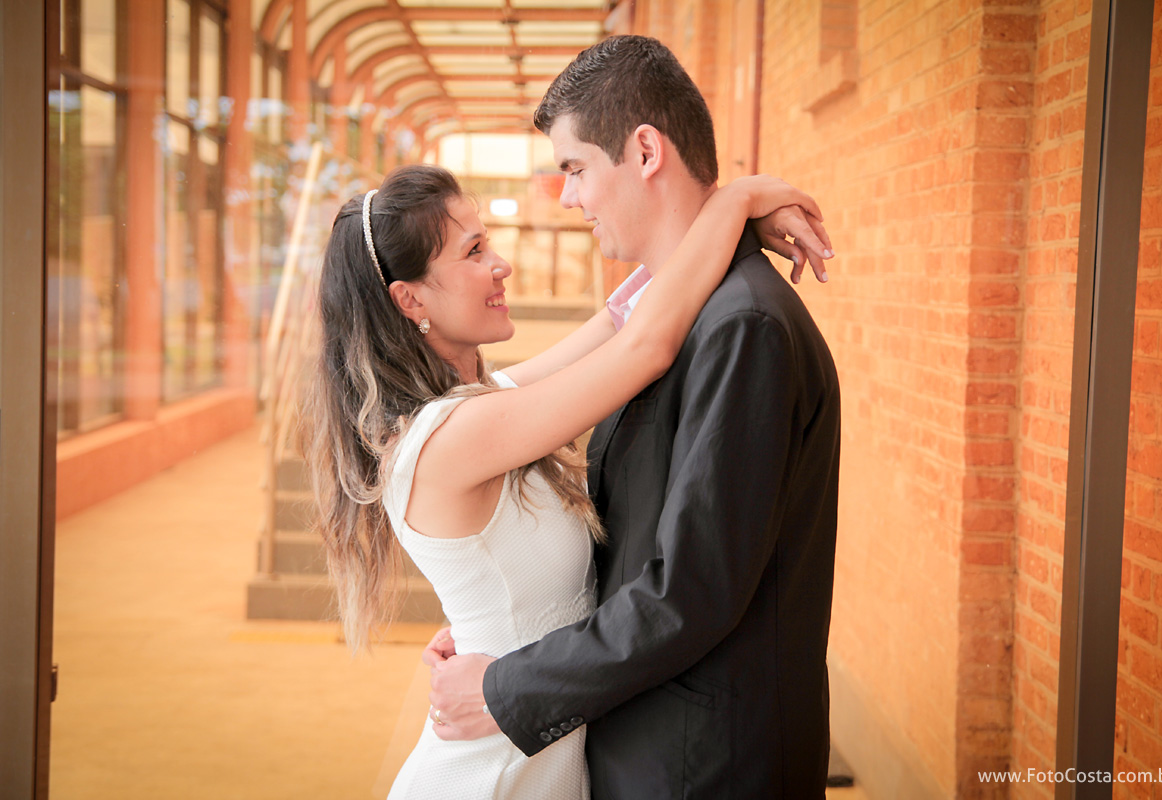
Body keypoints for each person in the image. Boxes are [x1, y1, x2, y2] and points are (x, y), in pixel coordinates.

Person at [305, 160, 829, 799]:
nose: (500, 264)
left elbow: (619, 320)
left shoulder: (480, 403)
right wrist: (739, 199)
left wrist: (701, 219)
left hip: (534, 735)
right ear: (411, 299)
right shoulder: (453, 436)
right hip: (495, 768)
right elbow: (644, 349)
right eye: (473, 252)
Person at [426, 35, 841, 799]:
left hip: (703, 765)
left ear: (645, 151)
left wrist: (506, 685)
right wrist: (510, 627)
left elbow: (690, 590)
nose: (569, 198)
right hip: (653, 747)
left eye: (575, 168)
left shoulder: (742, 327)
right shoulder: (680, 316)